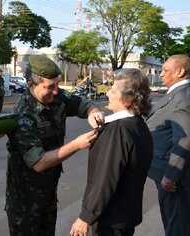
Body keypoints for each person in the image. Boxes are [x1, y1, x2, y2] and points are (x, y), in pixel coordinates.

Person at [5, 55, 103, 235]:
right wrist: (76, 144)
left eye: (57, 85)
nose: (56, 91)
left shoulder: (57, 96)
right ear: (30, 85)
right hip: (25, 199)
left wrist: (93, 111)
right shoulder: (22, 115)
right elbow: (39, 162)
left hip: (49, 191)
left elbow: (82, 103)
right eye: (50, 87)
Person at [70, 68, 153, 236]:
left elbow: (106, 178)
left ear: (128, 99)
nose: (107, 94)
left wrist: (86, 217)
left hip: (111, 218)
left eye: (113, 91)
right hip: (125, 215)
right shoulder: (138, 125)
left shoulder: (119, 130)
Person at [146, 54, 190, 236]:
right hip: (163, 170)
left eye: (165, 70)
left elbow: (184, 139)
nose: (161, 74)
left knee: (176, 222)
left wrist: (171, 175)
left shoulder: (183, 98)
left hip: (171, 175)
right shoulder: (176, 93)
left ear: (180, 71)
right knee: (172, 218)